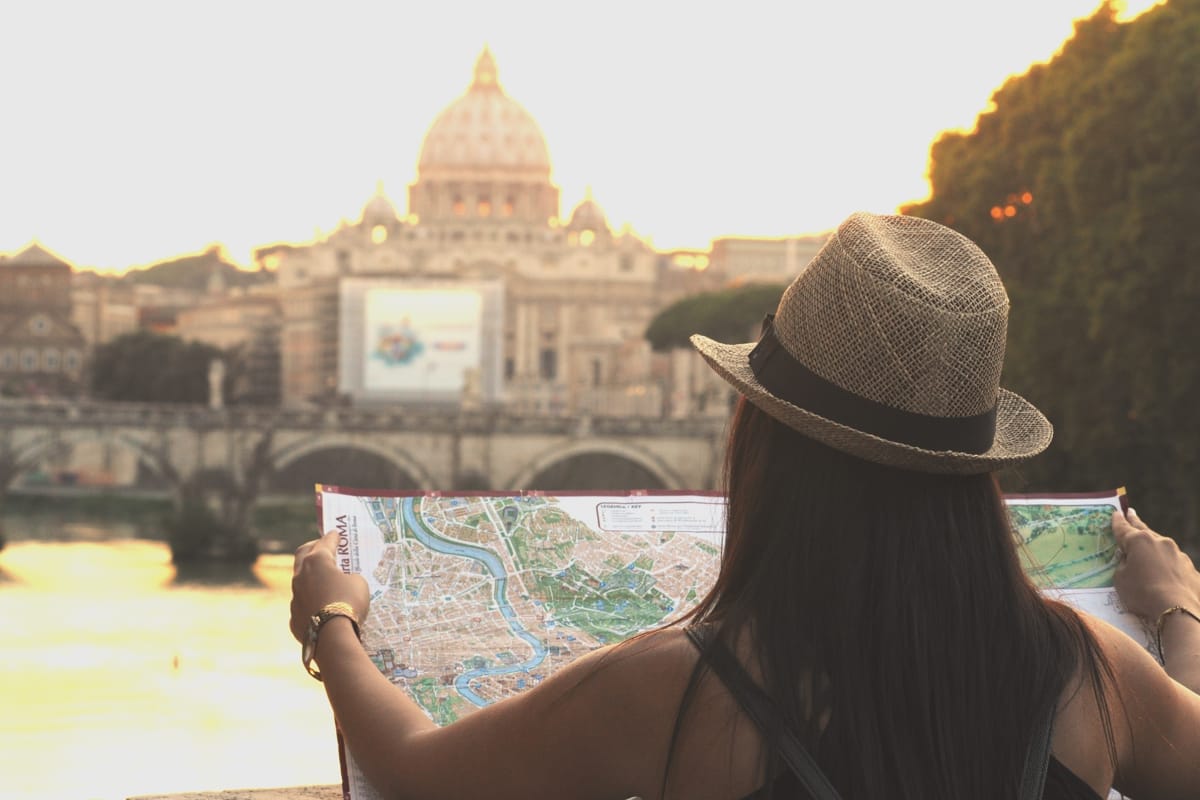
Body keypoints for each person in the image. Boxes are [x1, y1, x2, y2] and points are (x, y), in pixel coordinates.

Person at [291, 212, 1200, 799]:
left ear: (765, 440)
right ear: (972, 475)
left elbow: (414, 771)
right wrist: (1180, 613)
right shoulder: (1093, 675)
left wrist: (332, 620)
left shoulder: (678, 690)